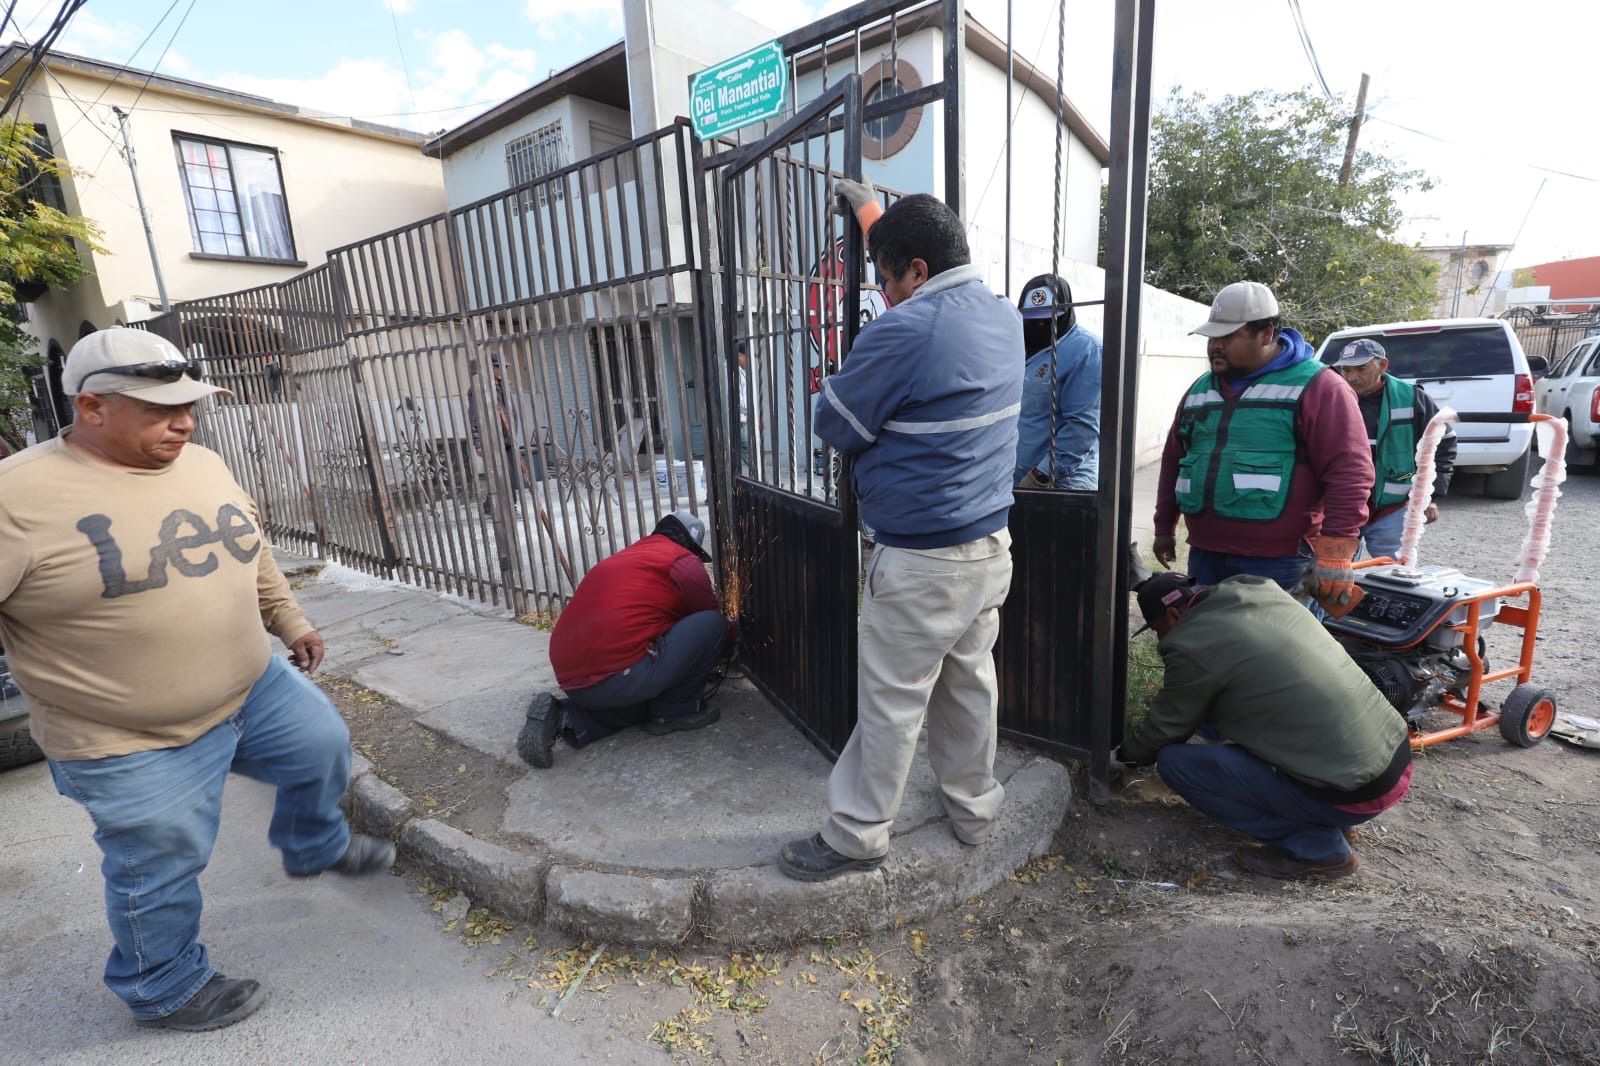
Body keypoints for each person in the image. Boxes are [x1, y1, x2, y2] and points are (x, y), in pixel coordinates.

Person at [0, 328, 392, 1033]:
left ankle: (314, 844)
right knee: (160, 864)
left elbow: (250, 546)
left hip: (253, 687)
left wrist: (289, 620)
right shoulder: (16, 499)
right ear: (92, 407)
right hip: (125, 736)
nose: (185, 422)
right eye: (161, 409)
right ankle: (162, 986)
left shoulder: (202, 461)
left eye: (190, 405)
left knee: (321, 746)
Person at [778, 182, 1023, 882]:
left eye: (885, 279)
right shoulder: (1003, 318)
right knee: (969, 686)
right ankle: (974, 810)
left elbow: (835, 423)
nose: (882, 294)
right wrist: (868, 211)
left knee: (891, 699)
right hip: (989, 549)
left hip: (922, 561)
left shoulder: (906, 329)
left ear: (917, 270)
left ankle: (857, 834)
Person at [1116, 572, 1412, 880]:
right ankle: (1338, 824)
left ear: (1174, 615)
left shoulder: (1192, 644)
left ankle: (1320, 850)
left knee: (1176, 763)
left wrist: (1123, 757)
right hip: (1393, 759)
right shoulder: (1260, 593)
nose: (1160, 639)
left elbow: (1166, 727)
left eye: (1158, 630)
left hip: (1353, 793)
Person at [1152, 281, 1372, 610]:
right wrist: (1164, 526)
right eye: (1212, 337)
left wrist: (1335, 552)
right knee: (1210, 638)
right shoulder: (1200, 389)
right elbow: (1174, 460)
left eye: (1228, 337)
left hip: (1281, 562)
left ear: (1267, 333)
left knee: (1275, 644)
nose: (1216, 346)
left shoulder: (1320, 387)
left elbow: (1349, 472)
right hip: (1206, 554)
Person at [517, 509, 734, 768]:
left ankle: (565, 718)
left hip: (574, 682)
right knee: (712, 624)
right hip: (619, 675)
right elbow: (706, 617)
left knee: (643, 699)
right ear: (691, 546)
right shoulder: (683, 560)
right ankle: (677, 710)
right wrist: (735, 634)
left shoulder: (632, 556)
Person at [1331, 338, 1456, 560]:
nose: (1352, 377)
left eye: (1361, 369)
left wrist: (1431, 495)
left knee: (1394, 570)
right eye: (1346, 370)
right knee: (1336, 568)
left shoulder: (1412, 398)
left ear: (1383, 365)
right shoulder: (1332, 397)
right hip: (1344, 505)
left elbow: (1444, 443)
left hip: (1393, 507)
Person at [1012, 273, 1102, 490]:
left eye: (1048, 319)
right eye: (1033, 319)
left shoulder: (1087, 351)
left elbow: (1081, 429)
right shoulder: (1018, 347)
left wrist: (1040, 476)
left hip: (1060, 484)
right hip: (1014, 481)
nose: (1040, 324)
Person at [468, 350, 524, 517]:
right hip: (492, 439)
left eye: (504, 367)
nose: (503, 370)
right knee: (504, 475)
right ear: (491, 368)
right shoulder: (479, 389)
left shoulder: (503, 386)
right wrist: (478, 442)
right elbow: (474, 416)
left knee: (506, 474)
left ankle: (489, 506)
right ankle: (510, 507)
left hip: (508, 437)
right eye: (500, 367)